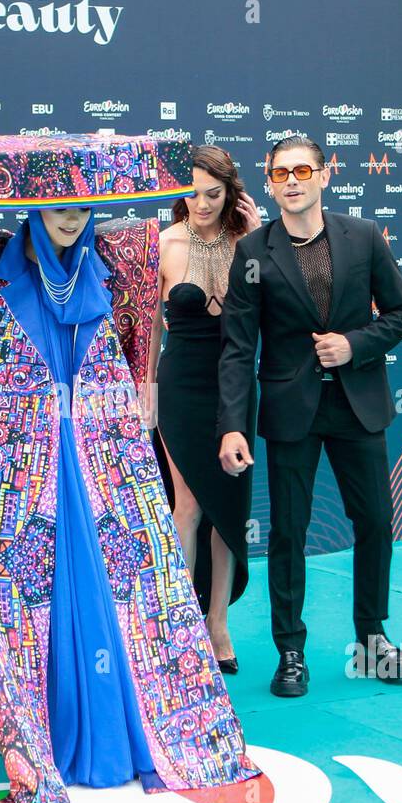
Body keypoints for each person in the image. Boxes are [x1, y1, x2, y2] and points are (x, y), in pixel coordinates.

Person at [0, 134, 260, 803]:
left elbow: (132, 365)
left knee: (107, 593)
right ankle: (25, 728)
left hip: (96, 467)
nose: (70, 216)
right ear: (33, 208)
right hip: (14, 466)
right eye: (56, 204)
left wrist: (133, 428)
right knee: (13, 593)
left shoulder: (113, 268)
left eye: (80, 205)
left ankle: (101, 728)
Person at [218, 135, 402, 697]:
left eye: (302, 170)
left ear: (325, 176)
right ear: (270, 181)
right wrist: (232, 423)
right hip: (291, 409)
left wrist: (355, 344)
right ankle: (290, 651)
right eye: (280, 173)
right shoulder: (254, 252)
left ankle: (373, 638)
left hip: (358, 404)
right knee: (287, 531)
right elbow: (238, 346)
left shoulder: (364, 237)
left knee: (376, 521)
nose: (292, 180)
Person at [145, 145, 260, 672]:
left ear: (229, 192)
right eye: (192, 192)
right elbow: (149, 328)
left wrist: (259, 238)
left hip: (235, 384)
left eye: (214, 193)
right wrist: (146, 386)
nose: (202, 203)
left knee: (226, 510)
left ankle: (218, 624)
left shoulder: (246, 243)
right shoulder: (163, 243)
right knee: (188, 505)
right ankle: (180, 626)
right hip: (181, 382)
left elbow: (271, 306)